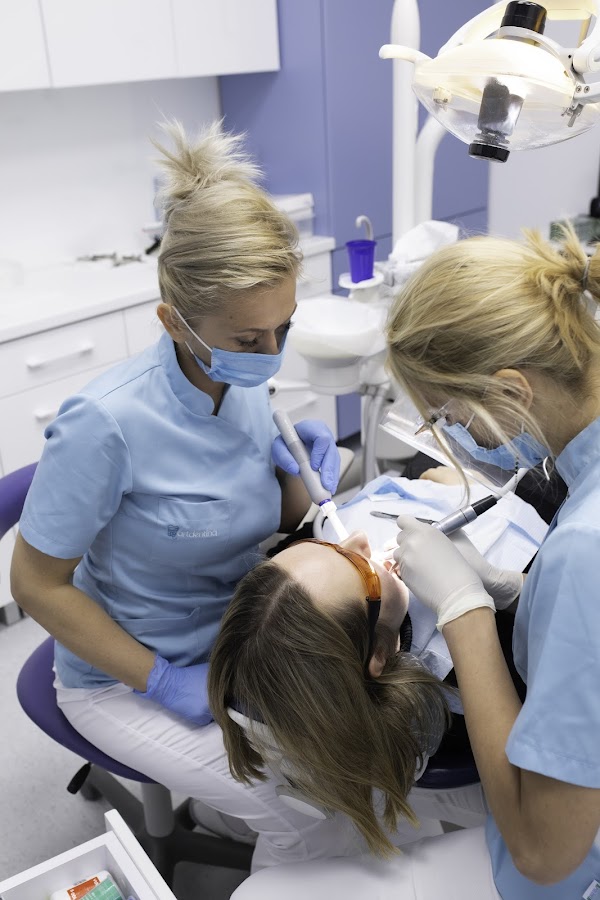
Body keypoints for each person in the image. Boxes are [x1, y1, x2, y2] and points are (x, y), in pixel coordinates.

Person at [9, 120, 360, 870]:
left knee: (352, 769)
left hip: (236, 642)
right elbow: (35, 584)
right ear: (173, 321)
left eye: (283, 330)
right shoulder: (104, 424)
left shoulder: (239, 380)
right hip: (128, 677)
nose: (270, 358)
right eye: (247, 340)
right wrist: (161, 680)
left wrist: (306, 482)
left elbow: (263, 516)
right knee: (310, 823)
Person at [229, 223, 600, 898]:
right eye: (351, 562)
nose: (445, 438)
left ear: (513, 391)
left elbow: (549, 854)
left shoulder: (583, 552)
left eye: (447, 416)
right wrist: (516, 594)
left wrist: (469, 611)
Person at [208, 530, 452, 856]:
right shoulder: (442, 697)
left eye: (326, 545)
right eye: (363, 568)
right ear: (379, 652)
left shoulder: (266, 678)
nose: (360, 538)